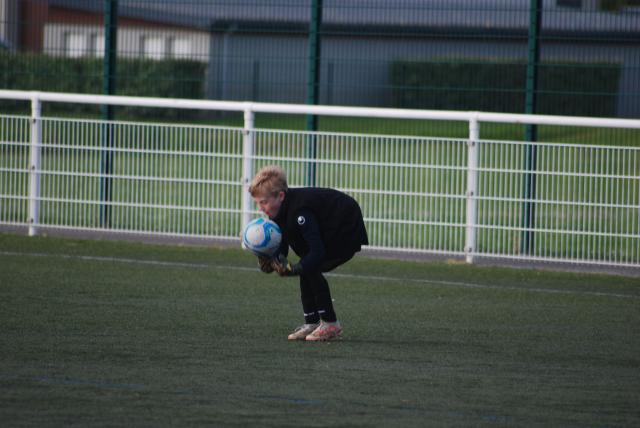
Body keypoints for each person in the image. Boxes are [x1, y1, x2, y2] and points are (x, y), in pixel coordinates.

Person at [248, 165, 368, 341]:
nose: (261, 208)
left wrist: (295, 268)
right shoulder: (279, 210)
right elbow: (283, 241)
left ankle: (330, 323)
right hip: (329, 226)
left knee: (310, 265)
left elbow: (317, 251)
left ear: (280, 196)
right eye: (258, 203)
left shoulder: (299, 212)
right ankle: (312, 322)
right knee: (307, 264)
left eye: (264, 202)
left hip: (345, 227)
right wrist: (271, 258)